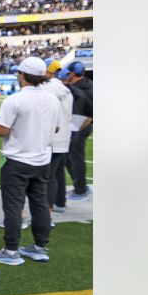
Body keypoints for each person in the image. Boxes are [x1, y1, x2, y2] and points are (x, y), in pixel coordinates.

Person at [0, 57, 61, 266]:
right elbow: (56, 128)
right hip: (42, 160)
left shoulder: (15, 100)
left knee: (13, 206)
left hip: (17, 160)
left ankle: (10, 251)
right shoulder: (53, 99)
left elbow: (2, 131)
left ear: (23, 75)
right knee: (40, 205)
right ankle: (40, 247)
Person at [43, 59, 74, 212]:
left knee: (48, 175)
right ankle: (60, 202)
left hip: (51, 135)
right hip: (64, 135)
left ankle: (48, 206)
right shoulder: (66, 89)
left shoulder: (47, 88)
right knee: (59, 172)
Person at [62, 60, 93, 199]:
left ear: (73, 73)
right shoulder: (90, 85)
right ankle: (79, 186)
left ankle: (80, 188)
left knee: (75, 157)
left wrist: (79, 127)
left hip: (80, 123)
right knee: (71, 156)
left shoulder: (76, 89)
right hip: (84, 122)